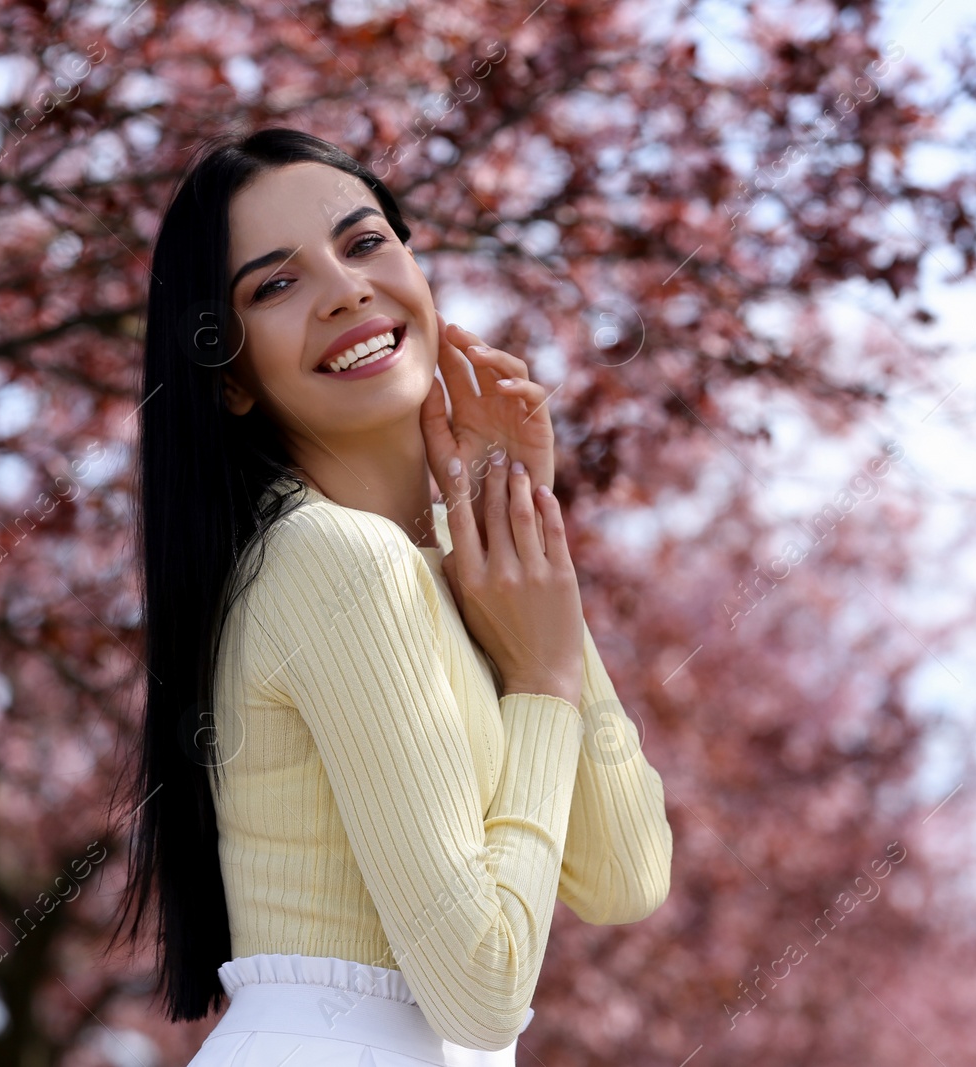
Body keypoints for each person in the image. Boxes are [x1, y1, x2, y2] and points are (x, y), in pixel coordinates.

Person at [107, 126, 673, 1066]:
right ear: (233, 378)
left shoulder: (419, 569)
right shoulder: (335, 561)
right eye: (275, 285)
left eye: (365, 242)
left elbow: (626, 875)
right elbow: (483, 992)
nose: (345, 289)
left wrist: (509, 519)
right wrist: (537, 678)